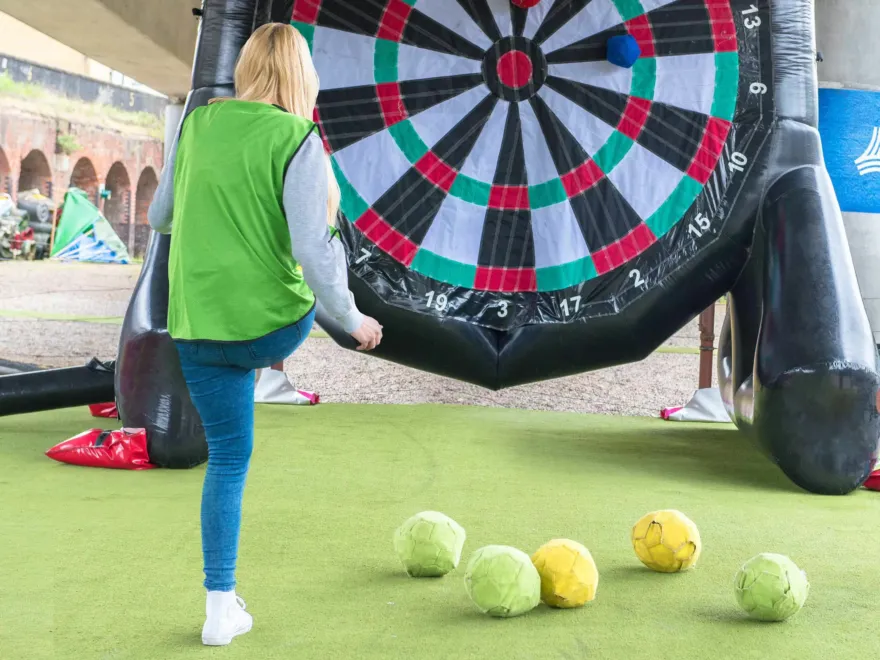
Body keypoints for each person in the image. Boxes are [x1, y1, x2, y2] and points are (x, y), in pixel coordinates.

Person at [147, 23, 382, 646]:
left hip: (196, 327)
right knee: (328, 269)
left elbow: (159, 216)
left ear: (246, 68)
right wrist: (352, 317)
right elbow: (311, 247)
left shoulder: (197, 124)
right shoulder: (298, 136)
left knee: (227, 461)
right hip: (273, 330)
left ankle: (219, 611)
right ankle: (344, 331)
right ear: (302, 76)